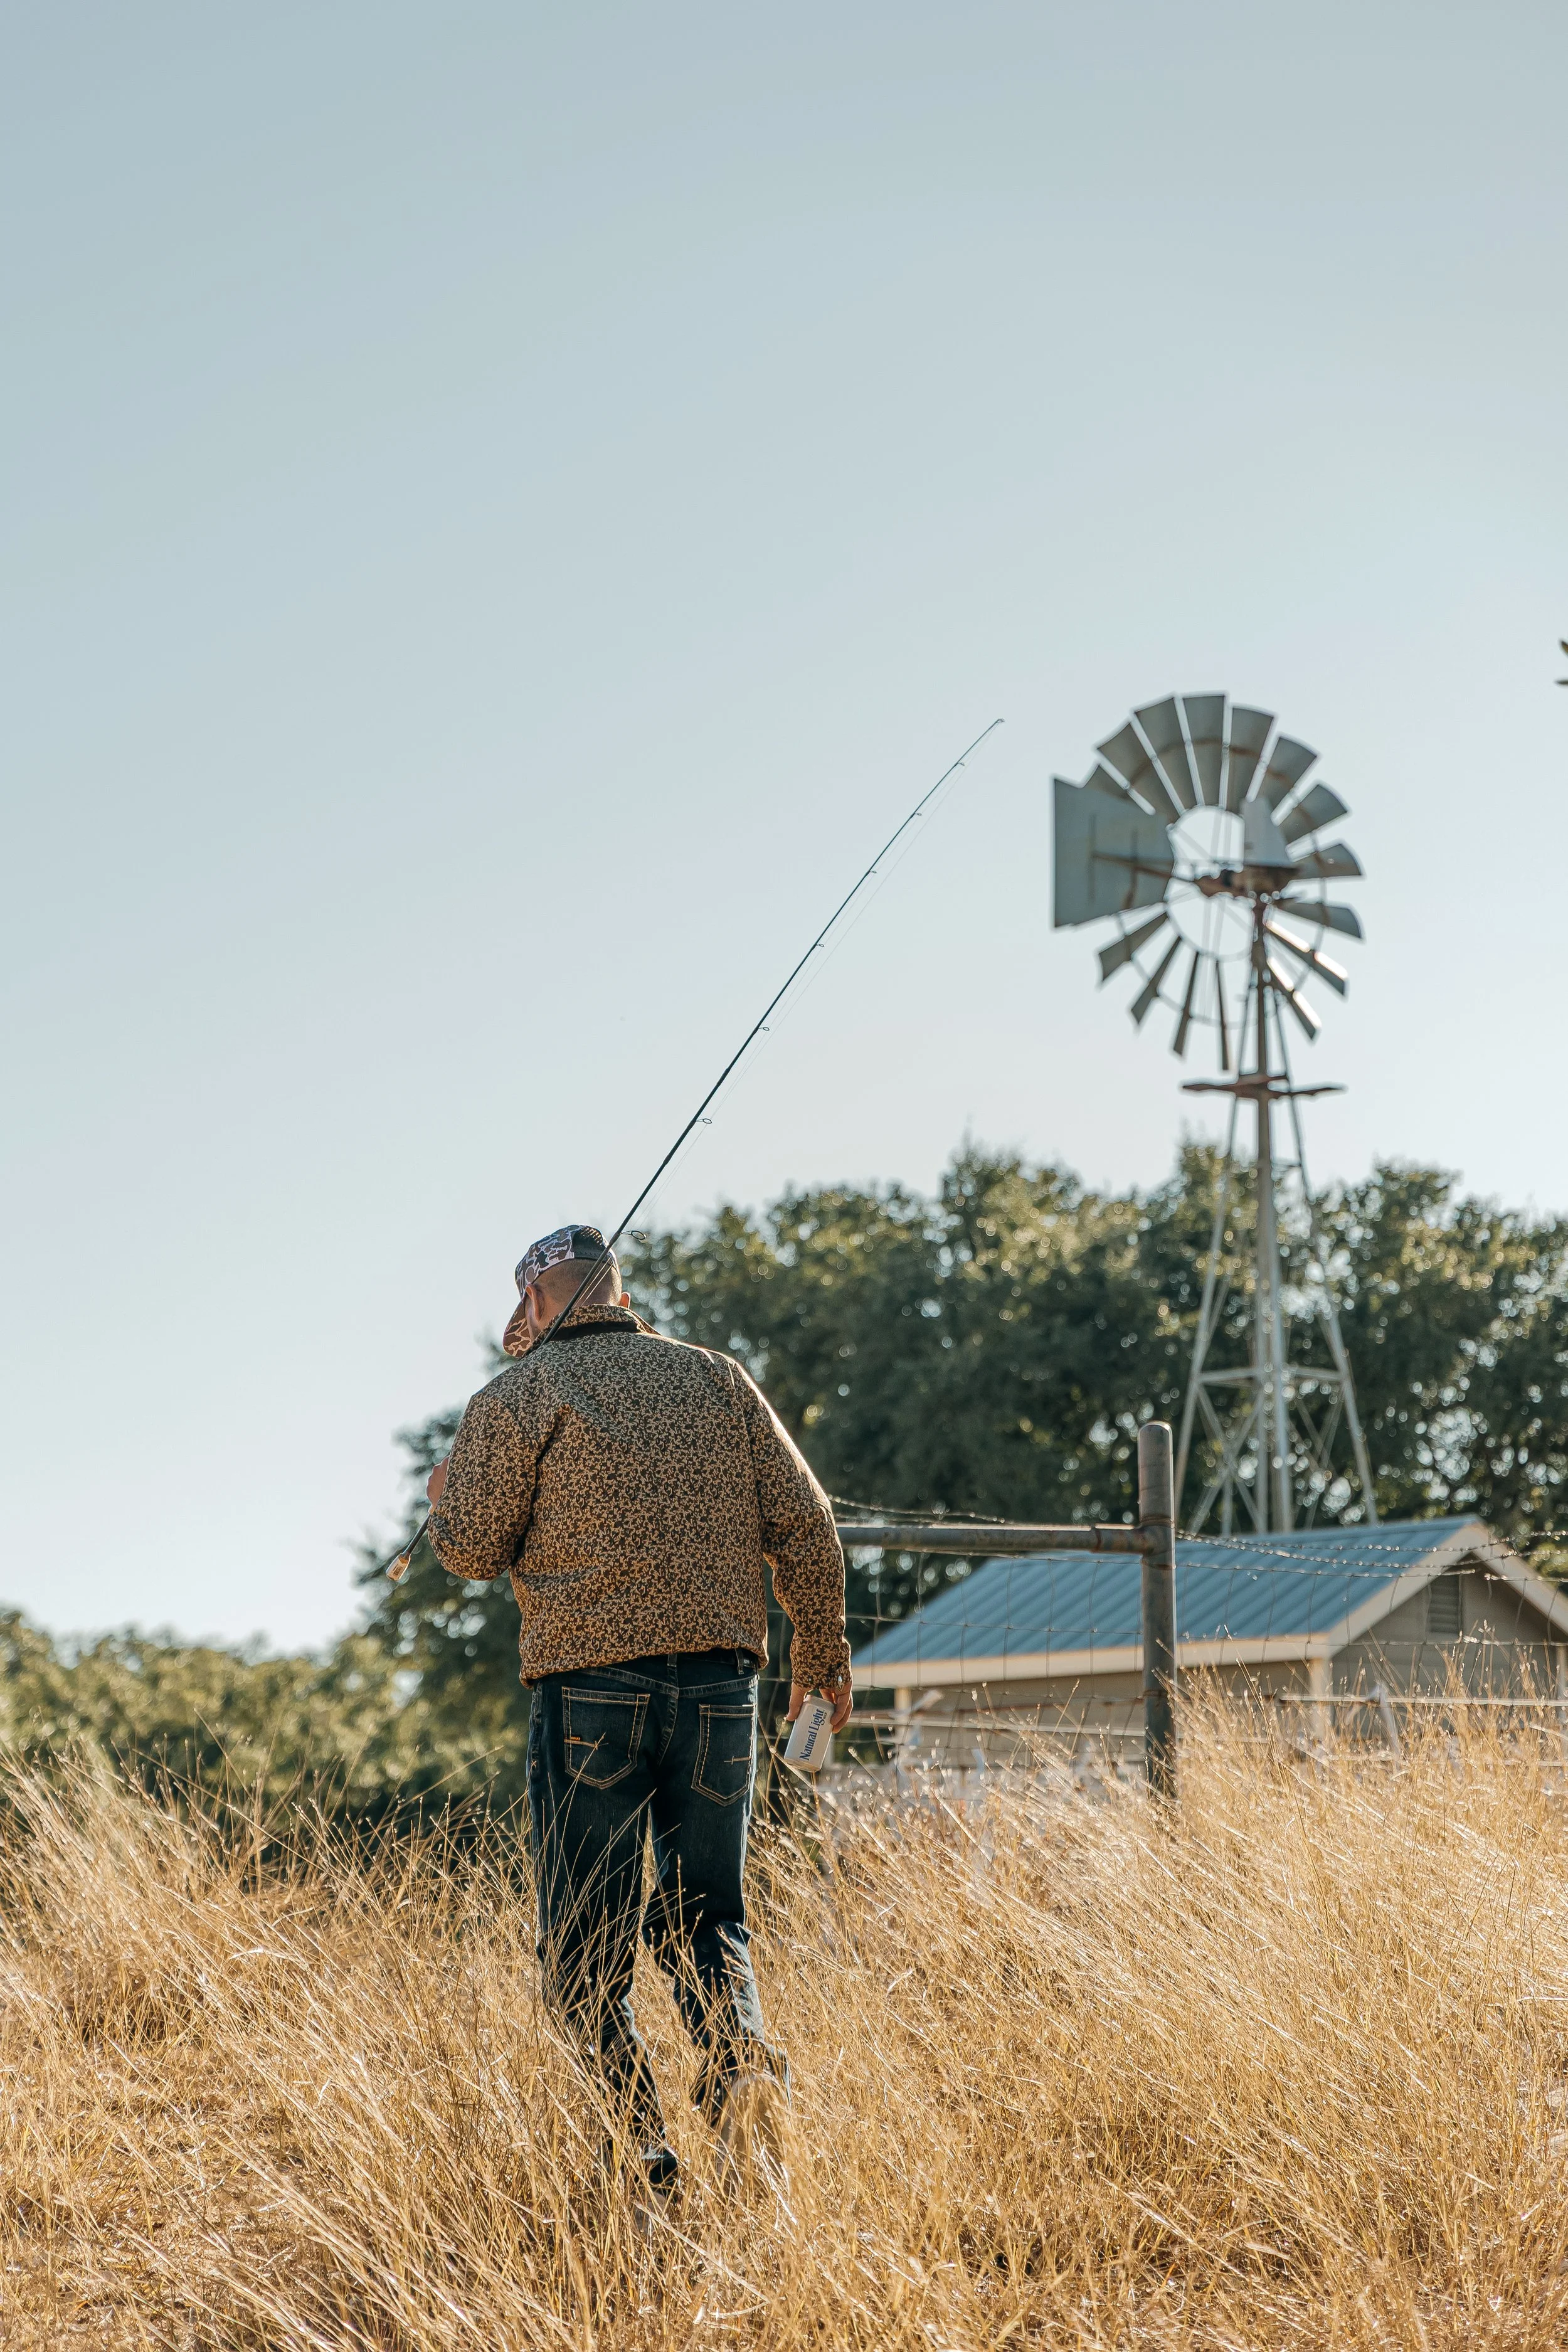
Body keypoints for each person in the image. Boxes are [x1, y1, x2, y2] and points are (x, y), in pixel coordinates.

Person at [424, 1222, 852, 2203]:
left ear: (534, 1304)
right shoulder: (718, 1378)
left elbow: (479, 1547)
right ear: (616, 1288)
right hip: (721, 1688)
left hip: (587, 1693)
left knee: (584, 1946)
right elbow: (809, 1522)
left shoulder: (517, 1395)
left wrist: (445, 1501)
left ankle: (643, 2154)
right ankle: (737, 2059)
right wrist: (820, 1657)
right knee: (709, 1915)